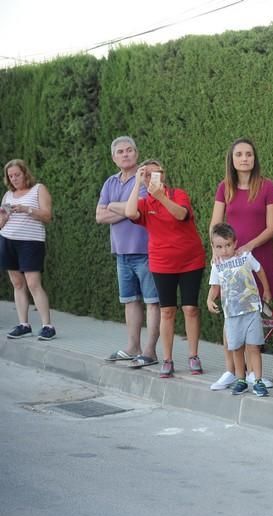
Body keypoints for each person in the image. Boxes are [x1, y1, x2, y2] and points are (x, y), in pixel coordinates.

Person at [208, 138, 273, 390]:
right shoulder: (224, 187)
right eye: (239, 154)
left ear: (254, 158)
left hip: (257, 259)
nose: (244, 158)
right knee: (231, 317)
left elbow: (272, 227)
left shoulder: (268, 187)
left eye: (249, 154)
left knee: (253, 319)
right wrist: (216, 252)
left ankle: (253, 374)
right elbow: (215, 225)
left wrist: (248, 246)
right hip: (229, 265)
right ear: (232, 158)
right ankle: (231, 371)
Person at [124, 159, 206, 378]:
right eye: (147, 174)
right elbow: (130, 213)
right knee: (167, 310)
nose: (152, 178)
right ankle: (168, 359)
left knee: (190, 308)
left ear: (163, 174)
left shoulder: (178, 194)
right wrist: (136, 183)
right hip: (162, 262)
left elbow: (181, 215)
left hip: (191, 259)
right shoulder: (143, 202)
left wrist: (161, 196)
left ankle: (193, 355)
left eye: (156, 173)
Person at [96, 136, 160, 367]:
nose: (125, 154)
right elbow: (99, 216)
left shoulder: (146, 180)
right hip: (121, 253)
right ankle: (133, 347)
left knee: (153, 302)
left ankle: (150, 352)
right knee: (130, 301)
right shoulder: (110, 183)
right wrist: (127, 209)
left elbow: (140, 210)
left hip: (146, 251)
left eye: (129, 150)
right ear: (114, 158)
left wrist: (114, 206)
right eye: (120, 152)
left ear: (137, 153)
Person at [207, 223, 272, 397]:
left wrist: (266, 289)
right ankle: (241, 379)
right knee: (236, 348)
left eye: (228, 245)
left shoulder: (245, 256)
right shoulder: (216, 266)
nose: (224, 250)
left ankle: (258, 380)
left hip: (251, 311)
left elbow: (259, 270)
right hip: (232, 315)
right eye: (219, 247)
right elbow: (215, 286)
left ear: (235, 243)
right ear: (213, 247)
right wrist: (209, 299)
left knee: (253, 347)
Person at [0, 159, 55, 340]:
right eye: (11, 176)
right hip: (8, 240)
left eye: (17, 174)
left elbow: (47, 216)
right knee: (17, 283)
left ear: (25, 173)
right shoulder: (8, 195)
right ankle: (24, 324)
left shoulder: (39, 189)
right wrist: (4, 217)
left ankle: (48, 326)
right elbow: (1, 224)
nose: (14, 179)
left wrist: (26, 209)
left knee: (33, 283)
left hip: (31, 241)